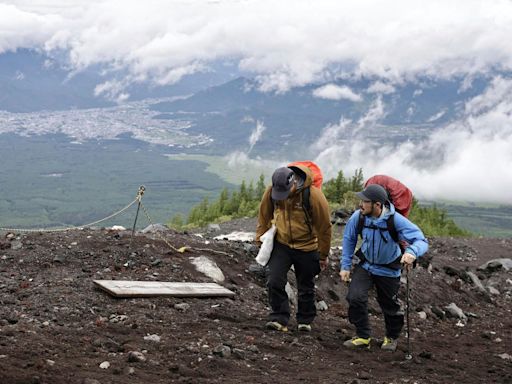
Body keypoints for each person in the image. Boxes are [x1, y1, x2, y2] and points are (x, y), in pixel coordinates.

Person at [339, 184, 428, 351]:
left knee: (390, 305)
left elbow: (421, 240)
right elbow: (349, 239)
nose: (360, 205)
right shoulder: (358, 217)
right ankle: (363, 336)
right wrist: (345, 265)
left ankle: (391, 337)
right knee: (355, 297)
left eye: (365, 202)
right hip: (365, 265)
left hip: (389, 269)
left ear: (377, 205)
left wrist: (412, 252)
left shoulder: (396, 220)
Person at [256, 165, 332, 332]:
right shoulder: (272, 192)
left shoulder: (313, 196)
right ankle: (279, 317)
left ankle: (305, 320)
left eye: (285, 192)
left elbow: (324, 228)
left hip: (307, 246)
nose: (282, 197)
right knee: (274, 280)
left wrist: (322, 254)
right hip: (281, 243)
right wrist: (259, 240)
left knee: (305, 285)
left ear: (294, 183)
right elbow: (264, 216)